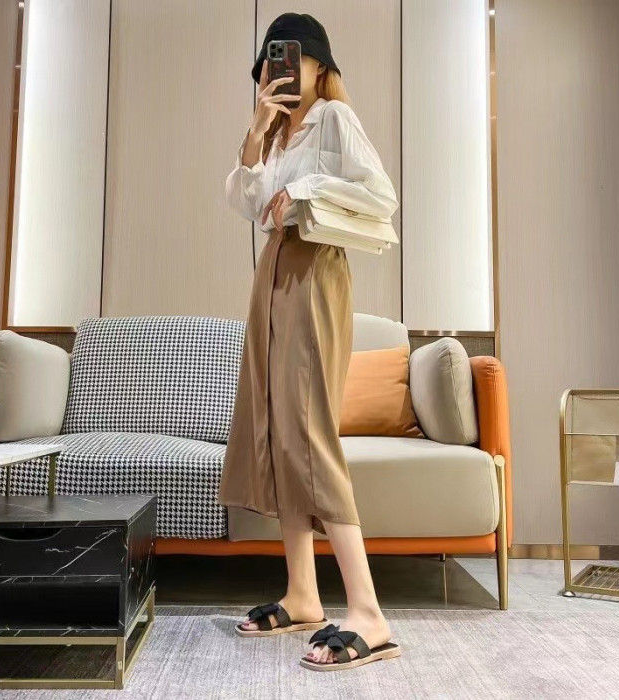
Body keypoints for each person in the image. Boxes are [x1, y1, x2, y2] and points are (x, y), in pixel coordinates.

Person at [217, 12, 401, 671]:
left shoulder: (334, 119)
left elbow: (380, 194)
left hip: (316, 266)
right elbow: (249, 204)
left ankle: (369, 614)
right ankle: (302, 595)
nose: (283, 72)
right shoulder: (276, 134)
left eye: (295, 59)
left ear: (321, 66)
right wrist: (256, 133)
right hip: (273, 271)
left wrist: (305, 185)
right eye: (271, 63)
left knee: (309, 430)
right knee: (278, 427)